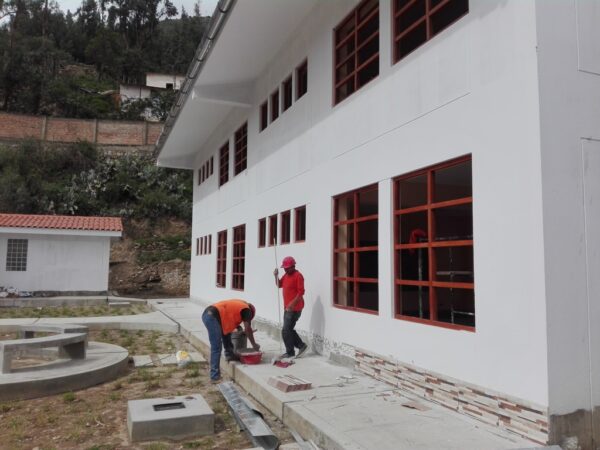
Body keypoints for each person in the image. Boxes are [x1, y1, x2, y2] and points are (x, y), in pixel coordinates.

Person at [202, 299, 260, 383]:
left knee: (226, 334)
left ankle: (230, 355)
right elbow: (248, 328)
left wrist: (242, 329)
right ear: (250, 314)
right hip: (212, 317)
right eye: (248, 319)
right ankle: (214, 377)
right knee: (216, 347)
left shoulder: (241, 305)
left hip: (210, 314)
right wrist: (254, 344)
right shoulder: (247, 310)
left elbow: (232, 320)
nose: (248, 320)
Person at [273, 256, 308, 359]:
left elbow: (301, 292)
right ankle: (301, 346)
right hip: (287, 308)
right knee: (288, 329)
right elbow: (279, 285)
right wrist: (275, 276)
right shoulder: (286, 275)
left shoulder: (298, 276)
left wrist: (292, 304)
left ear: (293, 266)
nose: (286, 269)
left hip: (295, 309)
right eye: (284, 268)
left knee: (285, 330)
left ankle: (290, 352)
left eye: (288, 268)